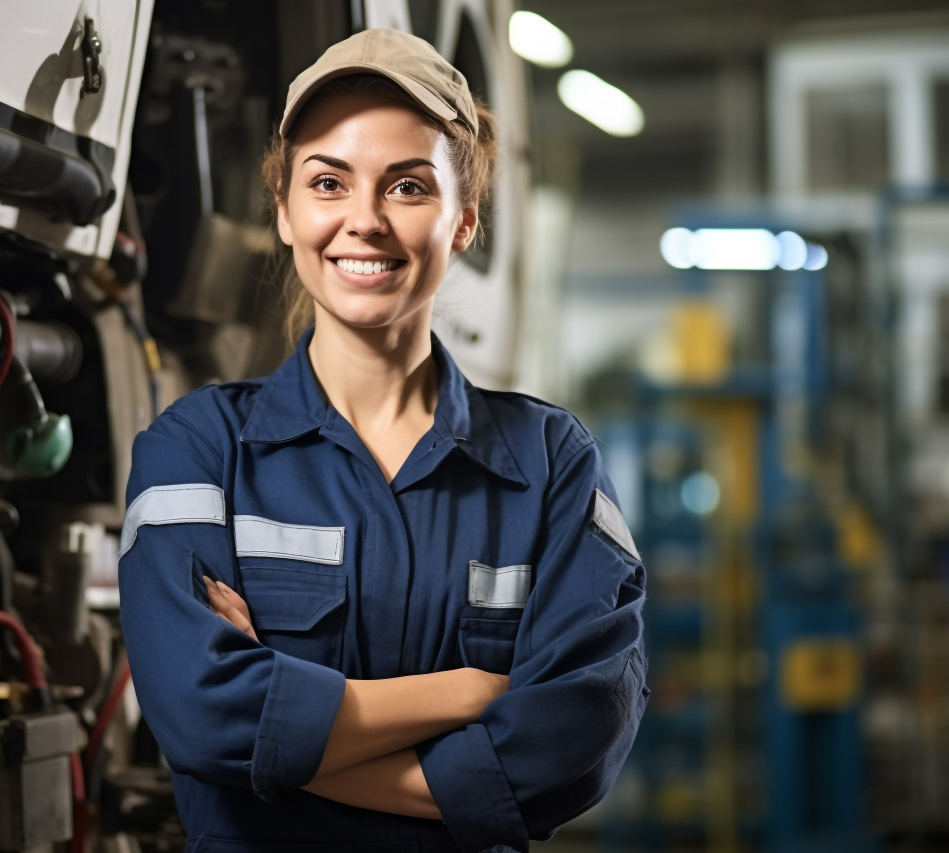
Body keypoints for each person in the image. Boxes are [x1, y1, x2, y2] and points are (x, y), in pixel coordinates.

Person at [119, 27, 648, 853]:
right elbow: (198, 711)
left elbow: (574, 742)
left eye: (407, 187)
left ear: (464, 220)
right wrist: (473, 691)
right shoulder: (198, 450)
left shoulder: (551, 465)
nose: (363, 221)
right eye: (329, 182)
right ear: (286, 211)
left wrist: (280, 748)